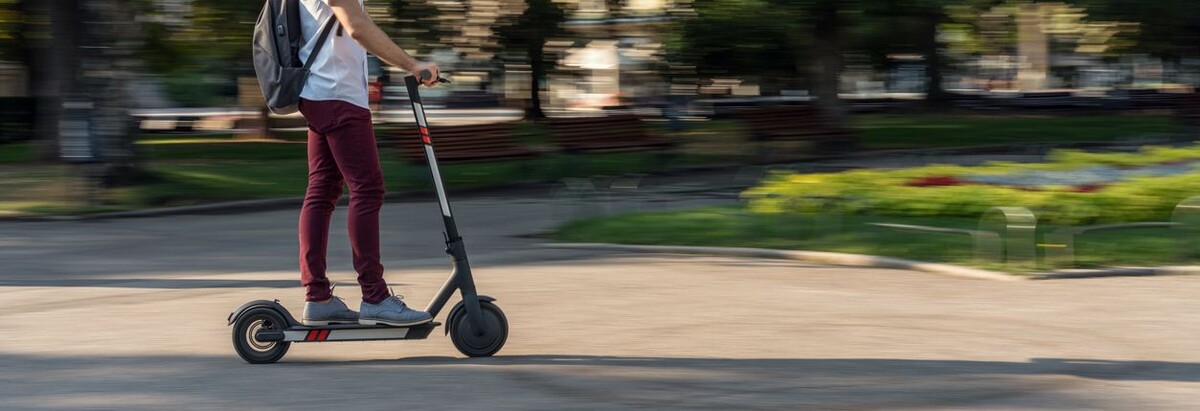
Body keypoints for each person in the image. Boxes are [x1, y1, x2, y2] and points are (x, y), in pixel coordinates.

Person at [295, 0, 439, 326]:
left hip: (322, 90)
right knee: (368, 190)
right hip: (338, 93)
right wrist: (412, 64)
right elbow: (357, 26)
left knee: (322, 190)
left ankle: (318, 297)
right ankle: (374, 296)